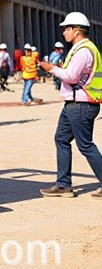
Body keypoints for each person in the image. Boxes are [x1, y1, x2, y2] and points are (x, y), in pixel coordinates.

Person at [39, 12, 102, 198]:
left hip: (81, 104)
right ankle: (63, 184)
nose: (64, 32)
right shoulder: (81, 49)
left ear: (76, 30)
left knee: (85, 145)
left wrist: (52, 69)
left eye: (67, 29)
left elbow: (72, 76)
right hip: (74, 104)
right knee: (61, 139)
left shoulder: (83, 51)